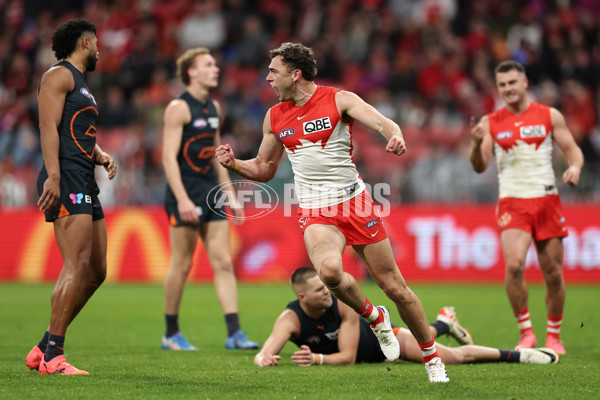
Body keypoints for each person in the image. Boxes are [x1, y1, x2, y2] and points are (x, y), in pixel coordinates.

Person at [216, 42, 448, 382]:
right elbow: (265, 167)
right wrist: (235, 163)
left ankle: (431, 358)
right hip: (315, 210)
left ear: (295, 75)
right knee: (329, 273)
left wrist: (395, 136)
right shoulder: (274, 116)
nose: (267, 78)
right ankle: (374, 317)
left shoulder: (340, 100)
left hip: (355, 203)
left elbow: (384, 123)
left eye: (273, 72)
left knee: (395, 287)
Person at [469, 60, 584, 355]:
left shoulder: (549, 115)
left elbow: (573, 151)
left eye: (512, 83)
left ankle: (554, 336)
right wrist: (475, 145)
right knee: (516, 264)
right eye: (502, 85)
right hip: (512, 201)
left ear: (524, 83)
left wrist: (575, 168)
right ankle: (526, 332)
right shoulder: (490, 122)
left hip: (547, 199)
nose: (507, 89)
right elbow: (480, 166)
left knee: (554, 273)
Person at [25, 19, 117, 375]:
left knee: (96, 270)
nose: (99, 49)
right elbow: (48, 126)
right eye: (96, 43)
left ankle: (44, 345)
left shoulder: (82, 85)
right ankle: (54, 358)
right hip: (65, 177)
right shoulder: (58, 76)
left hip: (84, 176)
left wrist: (100, 153)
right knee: (76, 264)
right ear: (84, 42)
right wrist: (53, 175)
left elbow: (74, 131)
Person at [255, 267, 559, 367]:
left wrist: (317, 360)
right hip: (374, 356)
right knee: (431, 337)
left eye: (327, 286)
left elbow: (348, 356)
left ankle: (520, 356)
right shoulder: (290, 319)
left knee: (451, 358)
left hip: (385, 342)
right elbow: (264, 352)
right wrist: (264, 359)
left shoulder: (343, 303)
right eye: (320, 290)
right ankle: (445, 323)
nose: (328, 292)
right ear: (301, 297)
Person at [161, 47, 259, 351]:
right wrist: (182, 199)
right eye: (208, 65)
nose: (215, 69)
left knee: (224, 263)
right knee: (182, 264)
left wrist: (231, 195)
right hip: (185, 192)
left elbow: (218, 157)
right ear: (192, 72)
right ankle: (171, 333)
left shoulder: (215, 108)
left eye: (215, 64)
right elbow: (167, 157)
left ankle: (234, 333)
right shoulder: (178, 108)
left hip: (210, 193)